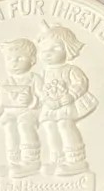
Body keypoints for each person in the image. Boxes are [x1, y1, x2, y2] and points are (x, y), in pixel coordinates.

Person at [35, 23, 98, 177]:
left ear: (68, 49)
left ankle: (76, 161)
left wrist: (71, 95)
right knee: (49, 127)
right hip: (51, 106)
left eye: (55, 48)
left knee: (65, 125)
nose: (48, 54)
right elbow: (39, 88)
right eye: (44, 50)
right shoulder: (43, 72)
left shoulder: (71, 70)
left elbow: (80, 83)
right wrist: (45, 99)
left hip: (66, 105)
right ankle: (57, 160)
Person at [0, 40, 44, 179]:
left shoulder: (34, 78)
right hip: (11, 113)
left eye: (20, 58)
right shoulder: (7, 81)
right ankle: (14, 163)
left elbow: (44, 98)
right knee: (9, 126)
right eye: (9, 59)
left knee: (24, 124)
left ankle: (31, 161)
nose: (14, 63)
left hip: (30, 112)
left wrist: (32, 100)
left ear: (32, 60)